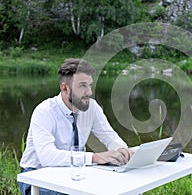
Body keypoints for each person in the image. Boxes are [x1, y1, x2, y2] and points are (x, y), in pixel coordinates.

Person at [18, 58, 132, 195]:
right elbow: (47, 156)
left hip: (73, 171)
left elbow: (109, 137)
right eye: (83, 86)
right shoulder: (44, 111)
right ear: (65, 88)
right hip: (36, 175)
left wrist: (121, 150)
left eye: (90, 85)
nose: (89, 92)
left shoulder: (92, 107)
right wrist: (95, 157)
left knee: (128, 190)